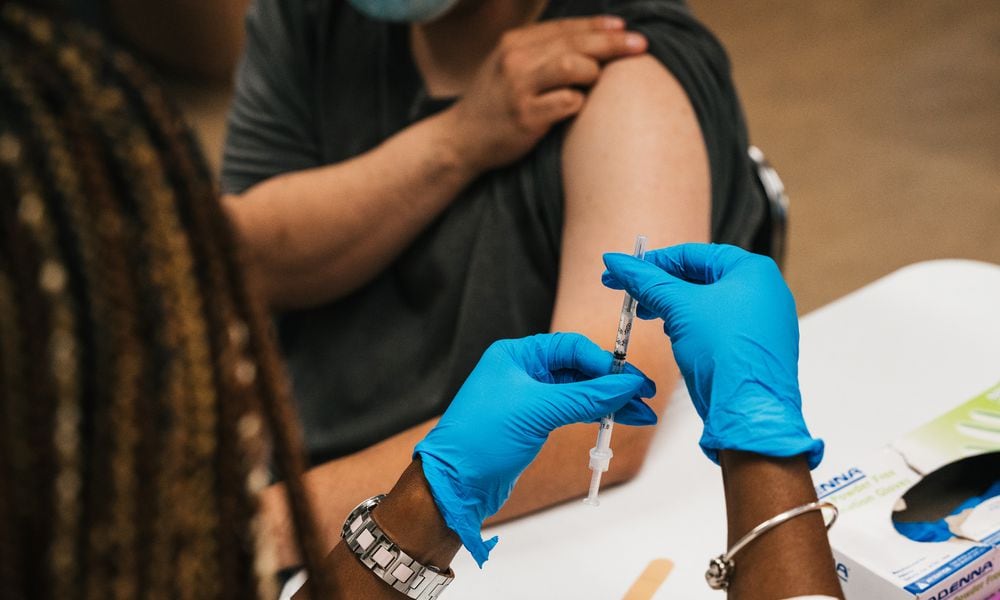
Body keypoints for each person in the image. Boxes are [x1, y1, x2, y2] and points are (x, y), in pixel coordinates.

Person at [221, 0, 768, 568]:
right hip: (288, 483)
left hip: (462, 535)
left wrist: (255, 528)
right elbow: (241, 264)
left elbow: (599, 419)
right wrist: (456, 140)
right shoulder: (309, 17)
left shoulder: (624, 68)